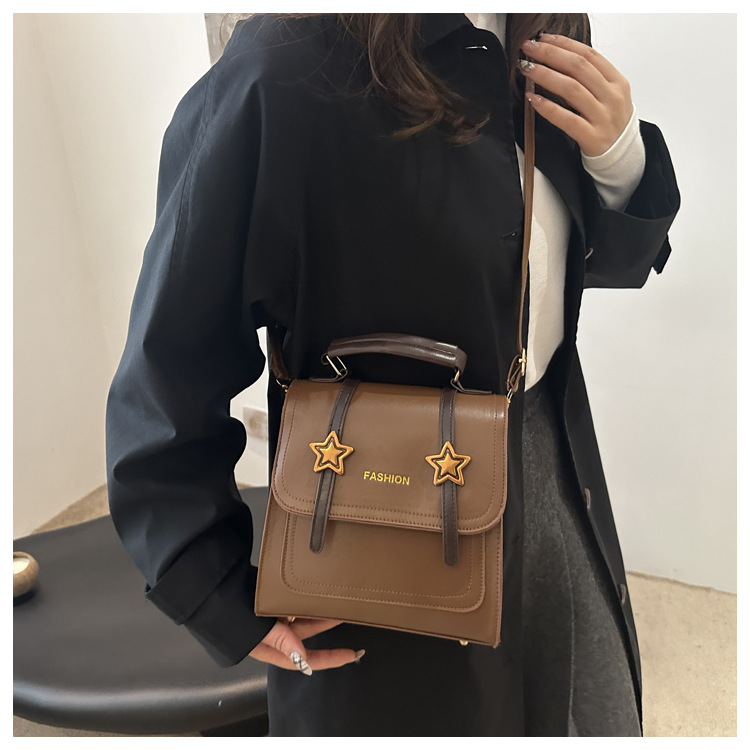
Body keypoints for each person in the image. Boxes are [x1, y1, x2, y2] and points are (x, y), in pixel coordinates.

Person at [105, 13, 680, 736]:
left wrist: (621, 162)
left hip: (553, 475)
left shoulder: (542, 30)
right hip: (379, 515)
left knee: (589, 714)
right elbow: (171, 354)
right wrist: (208, 583)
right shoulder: (284, 71)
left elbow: (547, 274)